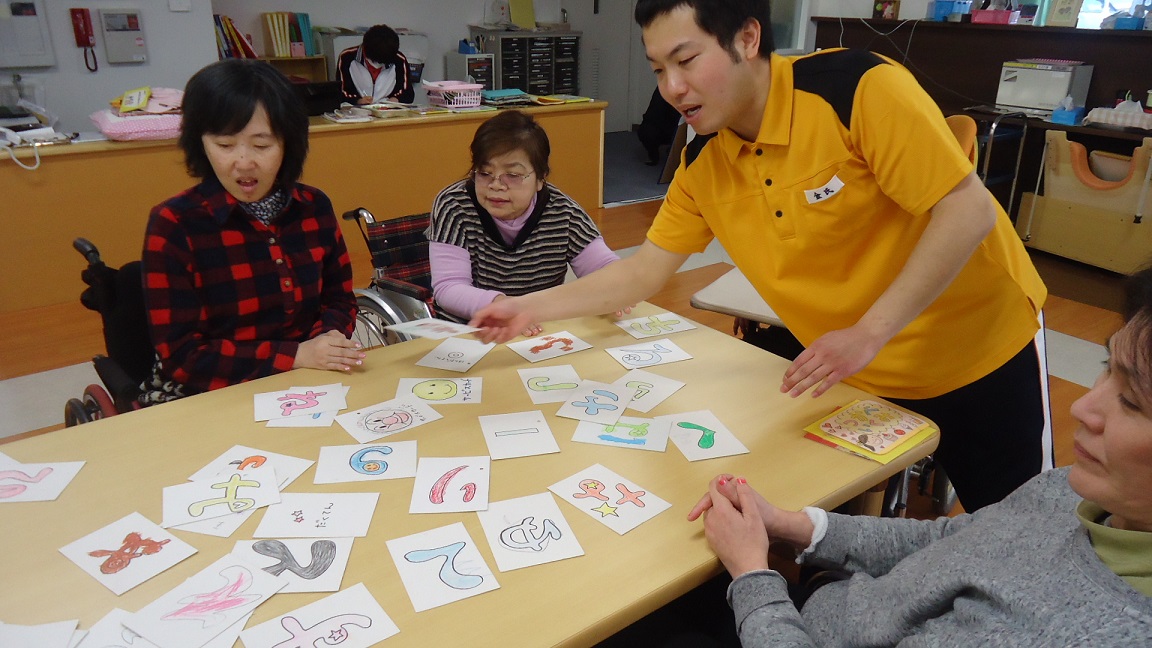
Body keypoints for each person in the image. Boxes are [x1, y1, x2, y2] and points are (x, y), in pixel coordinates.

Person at [470, 0, 1049, 512]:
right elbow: (641, 274)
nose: (671, 88)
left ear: (747, 39)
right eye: (658, 70)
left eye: (686, 60)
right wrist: (527, 307)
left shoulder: (856, 90)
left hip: (977, 350)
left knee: (1022, 538)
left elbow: (967, 210)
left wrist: (868, 332)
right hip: (850, 374)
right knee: (841, 540)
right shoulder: (704, 163)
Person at [687, 263, 1152, 646]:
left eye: (1131, 402)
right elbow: (955, 540)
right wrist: (793, 525)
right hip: (830, 611)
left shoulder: (1090, 631)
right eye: (1107, 368)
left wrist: (752, 575)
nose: (1082, 408)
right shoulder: (1072, 493)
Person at [140, 59, 363, 404]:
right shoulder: (174, 224)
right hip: (207, 392)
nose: (244, 163)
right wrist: (296, 355)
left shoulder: (313, 206)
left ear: (289, 143)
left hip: (309, 380)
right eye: (224, 145)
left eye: (262, 146)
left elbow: (339, 299)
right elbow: (183, 356)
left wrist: (326, 342)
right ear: (201, 144)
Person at [427, 110, 620, 330]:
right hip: (470, 332)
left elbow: (606, 268)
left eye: (513, 175)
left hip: (540, 332)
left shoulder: (563, 212)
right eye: (484, 173)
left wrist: (615, 289)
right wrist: (504, 307)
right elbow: (448, 288)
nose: (496, 185)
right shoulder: (454, 205)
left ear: (540, 178)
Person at [336, 24, 415, 105]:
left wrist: (395, 100)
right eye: (375, 61)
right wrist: (358, 101)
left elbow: (408, 93)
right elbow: (341, 93)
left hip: (388, 109)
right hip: (356, 110)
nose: (377, 66)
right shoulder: (347, 57)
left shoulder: (398, 59)